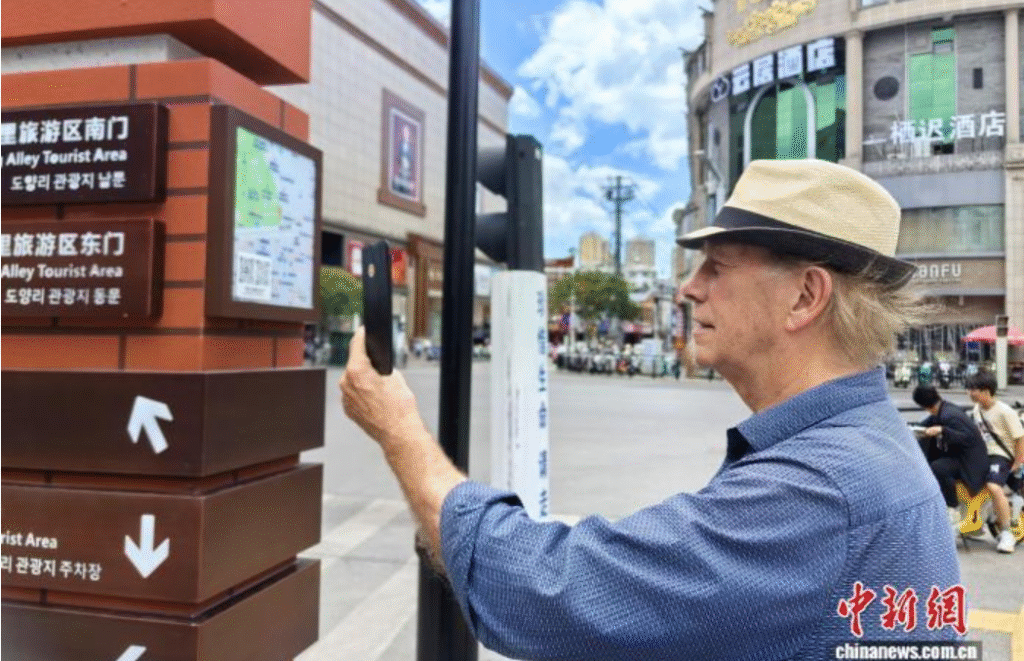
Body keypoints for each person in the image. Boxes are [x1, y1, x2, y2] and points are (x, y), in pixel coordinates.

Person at [340, 159, 963, 660]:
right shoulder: (866, 442)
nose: (689, 288)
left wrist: (398, 429)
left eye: (717, 267)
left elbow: (550, 592)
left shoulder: (819, 489)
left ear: (805, 296)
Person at [912, 385, 989, 524]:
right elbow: (925, 424)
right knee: (932, 463)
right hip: (962, 456)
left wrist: (943, 430)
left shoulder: (949, 415)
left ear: (923, 405)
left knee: (938, 468)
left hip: (970, 462)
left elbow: (967, 437)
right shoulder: (943, 409)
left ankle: (952, 506)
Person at [966, 370, 1024, 553]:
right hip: (984, 456)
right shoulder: (976, 410)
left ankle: (1007, 534)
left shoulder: (1005, 411)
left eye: (973, 389)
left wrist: (1018, 463)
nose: (970, 393)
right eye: (969, 389)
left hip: (1001, 456)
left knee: (993, 486)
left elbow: (1020, 438)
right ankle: (977, 522)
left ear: (986, 391)